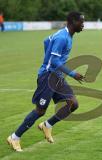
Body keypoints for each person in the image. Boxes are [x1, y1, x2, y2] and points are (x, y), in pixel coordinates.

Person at [7, 12, 85, 152]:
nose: (83, 24)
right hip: (47, 77)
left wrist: (48, 56)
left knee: (73, 104)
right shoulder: (62, 37)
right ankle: (15, 137)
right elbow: (54, 60)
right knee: (40, 110)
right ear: (73, 22)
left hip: (57, 76)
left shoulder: (66, 35)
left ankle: (47, 125)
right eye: (81, 22)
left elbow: (46, 41)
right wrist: (72, 73)